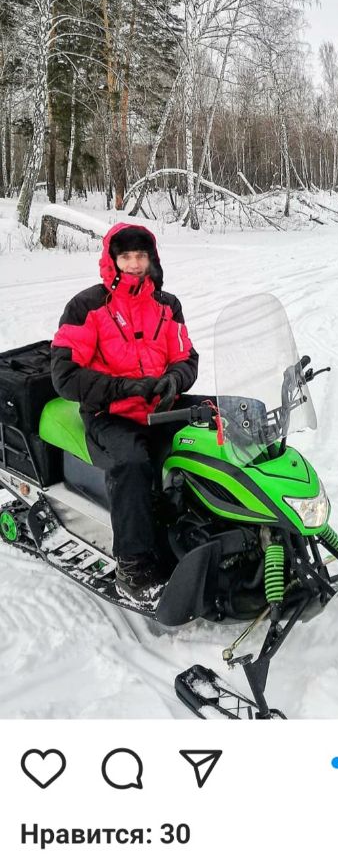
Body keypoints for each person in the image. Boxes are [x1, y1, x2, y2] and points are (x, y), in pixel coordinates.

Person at [51, 224, 198, 600]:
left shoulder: (167, 305)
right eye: (126, 257)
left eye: (140, 256)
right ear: (112, 261)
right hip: (109, 414)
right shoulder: (87, 307)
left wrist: (175, 380)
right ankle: (132, 567)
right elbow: (65, 376)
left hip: (161, 406)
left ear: (151, 259)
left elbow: (186, 357)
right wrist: (122, 388)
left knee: (220, 424)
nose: (134, 264)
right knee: (133, 461)